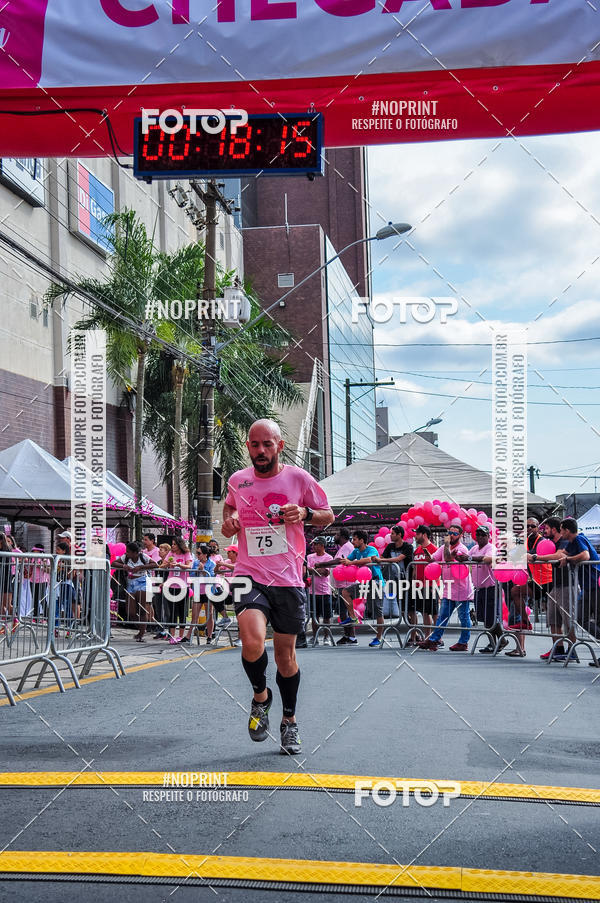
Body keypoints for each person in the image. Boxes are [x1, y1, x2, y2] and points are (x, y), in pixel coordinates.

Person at [222, 418, 333, 755]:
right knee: (252, 641)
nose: (260, 451)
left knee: (285, 657)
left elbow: (328, 514)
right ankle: (260, 697)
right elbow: (228, 513)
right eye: (254, 445)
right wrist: (229, 523)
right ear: (248, 447)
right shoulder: (238, 481)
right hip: (248, 574)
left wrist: (305, 513)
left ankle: (289, 720)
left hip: (287, 579)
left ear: (279, 446)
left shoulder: (299, 479)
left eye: (266, 444)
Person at [418, 524, 473, 651]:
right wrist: (428, 555)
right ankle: (434, 640)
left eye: (454, 533)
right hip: (449, 587)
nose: (451, 535)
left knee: (463, 616)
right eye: (450, 532)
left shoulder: (462, 548)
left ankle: (463, 642)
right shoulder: (443, 547)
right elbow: (433, 560)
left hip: (462, 589)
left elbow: (448, 558)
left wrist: (447, 544)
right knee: (443, 616)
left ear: (460, 535)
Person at [531, 517, 574, 661]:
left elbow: (558, 556)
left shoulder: (564, 542)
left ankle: (572, 650)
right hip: (556, 585)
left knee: (568, 620)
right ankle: (558, 648)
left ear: (554, 530)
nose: (544, 532)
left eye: (547, 529)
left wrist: (537, 556)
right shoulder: (550, 543)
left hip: (568, 585)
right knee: (553, 619)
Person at [339, 530, 385, 647]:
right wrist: (344, 562)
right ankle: (353, 617)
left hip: (376, 583)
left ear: (361, 540)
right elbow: (347, 561)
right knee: (345, 592)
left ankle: (378, 638)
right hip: (364, 583)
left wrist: (351, 562)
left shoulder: (371, 550)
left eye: (354, 539)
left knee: (378, 611)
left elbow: (369, 560)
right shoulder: (355, 551)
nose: (352, 542)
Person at [469, 525, 508, 655]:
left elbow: (486, 559)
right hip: (479, 588)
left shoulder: (491, 548)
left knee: (491, 617)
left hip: (491, 587)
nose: (480, 537)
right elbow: (464, 557)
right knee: (484, 618)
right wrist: (459, 556)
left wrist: (468, 558)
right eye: (478, 534)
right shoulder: (474, 548)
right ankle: (493, 643)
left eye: (483, 534)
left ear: (488, 536)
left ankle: (501, 641)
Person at [113, 541, 158, 641]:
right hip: (130, 582)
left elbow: (155, 564)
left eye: (128, 552)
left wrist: (141, 567)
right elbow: (114, 563)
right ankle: (142, 627)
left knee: (142, 609)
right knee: (130, 611)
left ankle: (141, 632)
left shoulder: (143, 557)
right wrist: (123, 566)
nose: (126, 553)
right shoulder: (126, 558)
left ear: (135, 552)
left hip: (142, 581)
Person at [379, 524, 413, 627]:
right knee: (402, 609)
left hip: (408, 581)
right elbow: (382, 556)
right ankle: (413, 631)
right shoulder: (390, 546)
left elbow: (399, 559)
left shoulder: (408, 547)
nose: (390, 536)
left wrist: (382, 560)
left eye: (393, 534)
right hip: (396, 581)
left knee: (410, 609)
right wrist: (380, 559)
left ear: (399, 535)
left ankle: (414, 634)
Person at [408, 525, 438, 641]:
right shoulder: (417, 551)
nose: (415, 536)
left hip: (431, 585)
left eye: (417, 534)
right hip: (418, 586)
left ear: (424, 535)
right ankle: (427, 637)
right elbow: (415, 569)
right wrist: (414, 583)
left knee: (434, 613)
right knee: (425, 612)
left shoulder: (434, 549)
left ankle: (437, 637)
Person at [161, 537, 193, 643]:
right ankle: (172, 635)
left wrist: (180, 565)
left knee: (182, 611)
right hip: (171, 585)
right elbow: (162, 566)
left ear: (179, 545)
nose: (173, 546)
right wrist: (168, 564)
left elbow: (189, 566)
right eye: (172, 544)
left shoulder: (186, 554)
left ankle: (181, 635)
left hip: (183, 586)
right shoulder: (171, 554)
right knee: (172, 611)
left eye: (174, 544)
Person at [182, 544, 215, 644]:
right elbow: (191, 575)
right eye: (197, 553)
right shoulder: (196, 563)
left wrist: (204, 571)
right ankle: (188, 636)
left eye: (199, 553)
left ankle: (209, 636)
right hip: (197, 590)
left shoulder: (211, 563)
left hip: (208, 591)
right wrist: (197, 570)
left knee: (209, 614)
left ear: (205, 555)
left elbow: (212, 577)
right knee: (194, 615)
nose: (197, 555)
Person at [306, 536, 333, 643]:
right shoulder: (310, 557)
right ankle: (315, 636)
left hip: (325, 590)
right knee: (314, 615)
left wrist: (313, 570)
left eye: (316, 544)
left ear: (322, 545)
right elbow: (307, 569)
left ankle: (327, 637)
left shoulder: (329, 558)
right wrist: (317, 570)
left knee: (327, 615)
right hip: (312, 591)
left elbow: (325, 572)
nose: (314, 546)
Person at [526, 517, 553, 621]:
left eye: (532, 526)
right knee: (515, 592)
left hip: (548, 580)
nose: (529, 528)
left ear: (538, 528)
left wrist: (523, 554)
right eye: (527, 526)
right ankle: (524, 621)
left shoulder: (542, 540)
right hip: (535, 580)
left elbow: (534, 552)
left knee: (554, 614)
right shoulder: (525, 540)